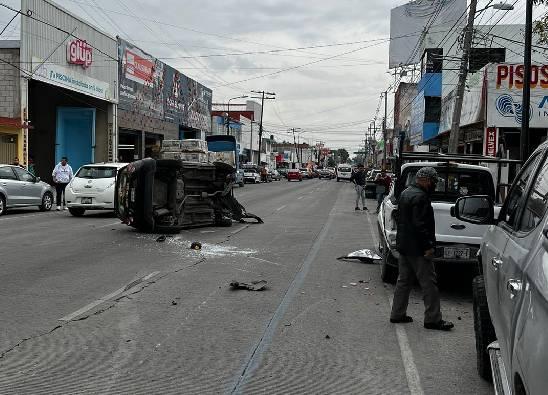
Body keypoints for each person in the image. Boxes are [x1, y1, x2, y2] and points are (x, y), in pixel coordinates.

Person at [390, 166, 454, 331]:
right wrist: (428, 247)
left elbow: (400, 219)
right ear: (425, 180)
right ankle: (433, 319)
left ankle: (397, 313)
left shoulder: (405, 193)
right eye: (433, 181)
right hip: (418, 249)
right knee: (429, 284)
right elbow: (421, 226)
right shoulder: (420, 197)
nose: (434, 184)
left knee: (403, 282)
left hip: (404, 246)